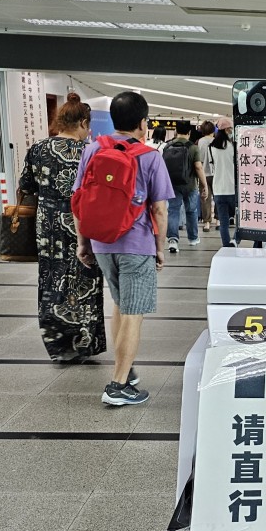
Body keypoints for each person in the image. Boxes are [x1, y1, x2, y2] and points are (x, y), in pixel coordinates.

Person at [73, 91, 174, 406]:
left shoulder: (92, 149)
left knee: (119, 305)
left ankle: (125, 369)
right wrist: (159, 248)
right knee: (133, 313)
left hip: (102, 244)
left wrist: (83, 242)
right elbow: (159, 210)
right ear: (143, 123)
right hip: (136, 243)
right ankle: (117, 386)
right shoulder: (150, 157)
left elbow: (78, 200)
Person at [19, 93, 105, 363]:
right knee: (86, 279)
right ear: (83, 122)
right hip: (84, 223)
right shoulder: (91, 152)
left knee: (52, 277)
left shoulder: (38, 149)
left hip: (48, 226)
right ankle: (84, 340)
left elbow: (26, 185)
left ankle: (58, 343)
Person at [162, 120, 209, 252]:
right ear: (189, 132)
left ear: (176, 131)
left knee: (173, 210)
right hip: (190, 185)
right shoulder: (192, 147)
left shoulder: (167, 146)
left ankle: (172, 240)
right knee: (191, 210)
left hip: (172, 184)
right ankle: (193, 238)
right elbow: (198, 167)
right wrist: (204, 185)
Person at [211, 117, 238, 247]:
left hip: (218, 189)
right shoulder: (233, 146)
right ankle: (236, 240)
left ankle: (226, 246)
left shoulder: (211, 147)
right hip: (232, 188)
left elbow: (212, 167)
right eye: (231, 129)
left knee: (224, 222)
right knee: (241, 219)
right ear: (227, 130)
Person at [197, 120, 216, 233]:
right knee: (218, 197)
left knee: (205, 198)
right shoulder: (216, 141)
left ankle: (207, 223)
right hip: (216, 173)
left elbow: (199, 159)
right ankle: (218, 221)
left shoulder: (200, 142)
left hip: (203, 173)